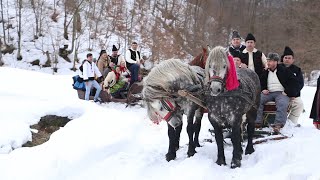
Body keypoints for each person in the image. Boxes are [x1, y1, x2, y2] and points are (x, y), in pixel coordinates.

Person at [255, 53, 299, 131]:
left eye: (270, 61)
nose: (268, 63)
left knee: (282, 103)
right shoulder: (265, 71)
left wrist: (287, 92)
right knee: (258, 100)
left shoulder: (284, 70)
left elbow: (294, 82)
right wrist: (263, 89)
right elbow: (260, 82)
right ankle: (257, 122)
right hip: (269, 92)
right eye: (267, 61)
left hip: (281, 92)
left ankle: (278, 124)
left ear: (276, 62)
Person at [279, 46, 304, 125]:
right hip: (280, 93)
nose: (287, 59)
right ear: (282, 59)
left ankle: (291, 123)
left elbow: (300, 84)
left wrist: (293, 94)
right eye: (285, 57)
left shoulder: (297, 70)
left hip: (294, 95)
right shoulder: (278, 68)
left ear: (293, 60)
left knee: (299, 104)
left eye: (289, 58)